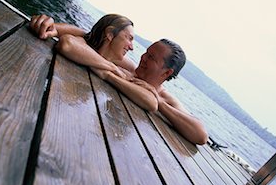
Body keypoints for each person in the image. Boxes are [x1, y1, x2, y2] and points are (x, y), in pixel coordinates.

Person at [30, 14, 208, 145]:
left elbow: (201, 135)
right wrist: (52, 26)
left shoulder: (164, 98)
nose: (142, 58)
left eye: (151, 58)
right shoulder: (129, 68)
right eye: (145, 52)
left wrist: (159, 104)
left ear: (167, 73)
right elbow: (91, 39)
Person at [30, 13, 158, 111]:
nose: (131, 47)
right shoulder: (86, 44)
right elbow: (67, 44)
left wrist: (109, 76)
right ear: (110, 34)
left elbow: (152, 103)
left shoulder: (125, 64)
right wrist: (113, 69)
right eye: (129, 39)